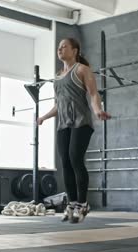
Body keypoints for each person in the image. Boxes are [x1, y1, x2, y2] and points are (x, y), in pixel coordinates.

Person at [38, 38, 110, 224]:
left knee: (75, 158)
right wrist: (44, 117)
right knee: (66, 163)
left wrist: (97, 111)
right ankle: (71, 203)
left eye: (64, 47)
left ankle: (83, 204)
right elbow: (58, 104)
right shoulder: (58, 76)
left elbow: (93, 94)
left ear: (75, 50)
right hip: (64, 124)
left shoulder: (81, 69)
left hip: (81, 122)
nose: (60, 49)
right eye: (59, 47)